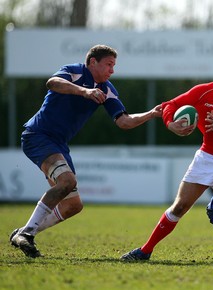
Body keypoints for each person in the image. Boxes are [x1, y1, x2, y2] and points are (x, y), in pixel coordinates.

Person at [10, 44, 162, 258]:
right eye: (109, 64)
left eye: (114, 66)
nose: (112, 70)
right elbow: (52, 82)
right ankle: (27, 233)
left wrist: (152, 114)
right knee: (67, 182)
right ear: (93, 62)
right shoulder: (75, 71)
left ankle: (24, 232)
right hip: (38, 135)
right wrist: (84, 91)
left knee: (73, 205)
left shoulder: (107, 89)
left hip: (59, 144)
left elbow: (124, 122)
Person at [121, 50, 213, 261]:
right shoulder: (205, 91)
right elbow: (170, 105)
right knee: (179, 206)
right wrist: (171, 124)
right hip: (206, 157)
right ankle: (145, 250)